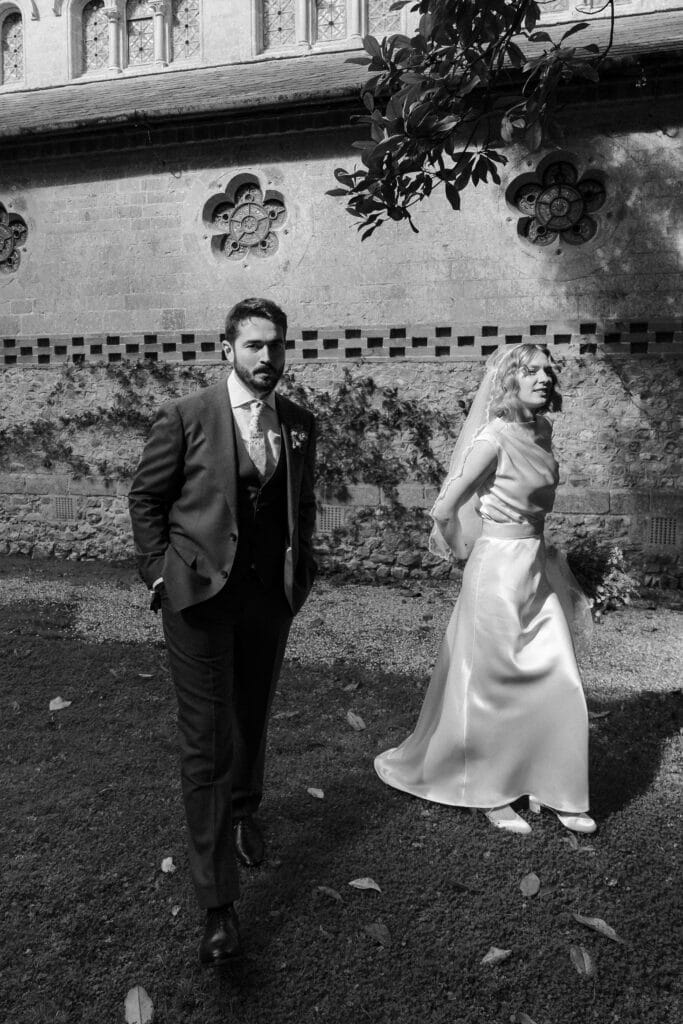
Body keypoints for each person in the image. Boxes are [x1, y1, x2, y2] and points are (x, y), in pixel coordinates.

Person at [128, 297, 317, 967]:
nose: (267, 358)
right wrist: (158, 575)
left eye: (276, 346)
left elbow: (301, 504)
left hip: (267, 600)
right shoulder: (186, 417)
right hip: (198, 602)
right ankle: (218, 906)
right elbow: (146, 498)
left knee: (251, 714)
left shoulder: (297, 424)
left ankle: (244, 809)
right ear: (228, 348)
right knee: (205, 742)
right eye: (254, 346)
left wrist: (302, 569)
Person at [374, 344, 596, 836]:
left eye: (548, 371)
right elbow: (443, 508)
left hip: (536, 567)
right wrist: (464, 552)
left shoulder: (542, 430)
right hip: (496, 571)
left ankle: (554, 785)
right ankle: (489, 790)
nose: (546, 378)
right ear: (509, 380)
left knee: (558, 674)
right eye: (533, 371)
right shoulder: (492, 440)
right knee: (492, 684)